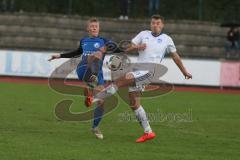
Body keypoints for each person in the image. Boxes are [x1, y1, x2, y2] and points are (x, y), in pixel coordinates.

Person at [86, 15, 192, 143]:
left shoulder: (167, 39)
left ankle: (95, 99)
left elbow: (175, 57)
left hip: (150, 72)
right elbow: (128, 47)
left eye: (158, 23)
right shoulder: (143, 34)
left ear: (162, 25)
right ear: (150, 24)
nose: (155, 25)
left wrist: (184, 71)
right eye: (153, 23)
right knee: (134, 103)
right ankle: (148, 132)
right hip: (139, 71)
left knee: (119, 82)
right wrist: (137, 47)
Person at [48, 17, 109, 140]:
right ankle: (89, 90)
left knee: (102, 102)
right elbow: (76, 52)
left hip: (99, 73)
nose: (94, 28)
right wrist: (59, 56)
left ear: (99, 28)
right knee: (92, 80)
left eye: (96, 26)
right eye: (92, 26)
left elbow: (117, 48)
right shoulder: (84, 41)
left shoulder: (104, 41)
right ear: (88, 29)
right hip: (85, 70)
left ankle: (95, 127)